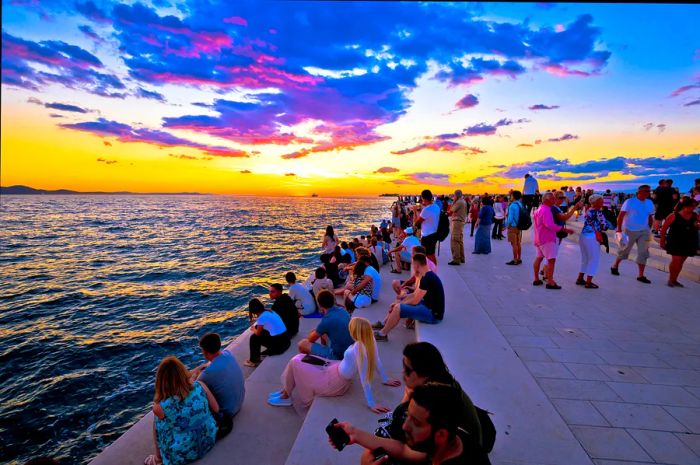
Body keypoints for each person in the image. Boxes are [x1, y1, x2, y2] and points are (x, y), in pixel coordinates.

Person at [331, 383, 490, 465]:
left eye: (415, 422)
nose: (405, 426)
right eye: (408, 416)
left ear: (441, 434)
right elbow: (403, 449)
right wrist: (355, 434)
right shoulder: (447, 441)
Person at [268, 318, 400, 410]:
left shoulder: (359, 348)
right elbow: (377, 360)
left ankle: (286, 395)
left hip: (335, 381)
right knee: (300, 358)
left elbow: (365, 377)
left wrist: (372, 403)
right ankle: (285, 391)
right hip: (334, 367)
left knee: (296, 361)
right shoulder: (370, 339)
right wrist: (385, 379)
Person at [384, 342, 484, 450]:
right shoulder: (443, 382)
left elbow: (397, 429)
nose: (403, 373)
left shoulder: (435, 399)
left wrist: (408, 398)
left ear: (425, 373)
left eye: (408, 370)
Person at [144, 356, 218, 465]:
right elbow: (216, 408)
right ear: (183, 372)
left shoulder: (161, 406)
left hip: (182, 454)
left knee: (158, 421)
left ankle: (158, 458)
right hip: (209, 440)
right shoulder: (200, 385)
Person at [375, 253, 444, 342]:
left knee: (398, 308)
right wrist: (401, 300)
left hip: (434, 315)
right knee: (401, 300)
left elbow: (415, 300)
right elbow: (415, 294)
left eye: (412, 264)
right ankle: (385, 323)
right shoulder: (426, 275)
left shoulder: (427, 278)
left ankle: (382, 334)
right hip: (429, 306)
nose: (412, 266)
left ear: (417, 265)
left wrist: (398, 304)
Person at [189, 333, 244, 439]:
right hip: (240, 401)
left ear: (205, 352)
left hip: (227, 412)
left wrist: (194, 376)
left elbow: (193, 390)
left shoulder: (207, 375)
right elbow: (209, 365)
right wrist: (200, 367)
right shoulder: (228, 354)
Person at [610, 185, 655, 283]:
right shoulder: (629, 202)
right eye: (646, 191)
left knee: (644, 253)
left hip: (645, 231)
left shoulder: (649, 202)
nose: (648, 193)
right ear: (639, 192)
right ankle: (615, 266)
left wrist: (649, 229)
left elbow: (650, 217)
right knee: (624, 250)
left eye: (649, 191)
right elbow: (621, 216)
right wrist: (619, 229)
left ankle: (641, 275)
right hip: (629, 230)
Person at [298, 290, 354, 360]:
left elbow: (310, 339)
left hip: (339, 355)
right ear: (333, 300)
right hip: (350, 350)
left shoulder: (326, 320)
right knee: (321, 333)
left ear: (320, 305)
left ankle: (326, 361)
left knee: (302, 344)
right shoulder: (343, 311)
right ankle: (324, 357)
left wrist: (311, 334)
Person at [533, 192, 571, 289]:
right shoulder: (546, 210)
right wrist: (563, 229)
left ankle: (536, 279)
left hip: (539, 237)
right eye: (553, 199)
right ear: (547, 200)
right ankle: (550, 281)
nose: (555, 200)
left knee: (539, 258)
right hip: (547, 239)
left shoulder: (539, 209)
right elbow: (549, 225)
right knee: (551, 260)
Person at [660, 197, 699, 287]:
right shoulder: (673, 215)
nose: (693, 208)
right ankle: (671, 279)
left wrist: (697, 226)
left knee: (681, 262)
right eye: (691, 207)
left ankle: (674, 279)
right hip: (675, 241)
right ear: (685, 206)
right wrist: (662, 240)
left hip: (689, 241)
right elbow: (664, 228)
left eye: (694, 207)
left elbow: (697, 225)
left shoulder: (695, 215)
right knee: (676, 261)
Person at [576, 195, 610, 289]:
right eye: (601, 201)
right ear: (595, 202)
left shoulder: (588, 210)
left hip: (583, 235)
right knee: (593, 259)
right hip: (592, 237)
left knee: (585, 258)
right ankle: (589, 282)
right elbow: (605, 226)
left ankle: (580, 278)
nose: (602, 202)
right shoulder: (598, 212)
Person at [245, 298, 291, 367]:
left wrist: (254, 329)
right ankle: (258, 356)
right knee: (258, 328)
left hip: (279, 347)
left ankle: (253, 361)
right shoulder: (269, 311)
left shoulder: (262, 317)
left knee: (254, 338)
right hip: (286, 341)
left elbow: (257, 333)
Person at [413, 189, 440, 265]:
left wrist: (415, 211)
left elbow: (416, 222)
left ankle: (431, 271)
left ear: (423, 198)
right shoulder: (436, 206)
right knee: (431, 254)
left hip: (427, 236)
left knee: (427, 255)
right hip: (434, 233)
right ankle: (433, 270)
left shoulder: (426, 210)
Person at [448, 189, 467, 265]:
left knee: (454, 240)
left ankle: (456, 259)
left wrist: (454, 201)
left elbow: (451, 210)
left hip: (457, 222)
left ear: (456, 195)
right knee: (459, 240)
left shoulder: (459, 202)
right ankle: (461, 258)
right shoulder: (463, 201)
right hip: (460, 222)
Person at [505, 190, 525, 265]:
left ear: (513, 196)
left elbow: (510, 219)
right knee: (518, 243)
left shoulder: (512, 205)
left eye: (511, 195)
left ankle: (515, 260)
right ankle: (519, 258)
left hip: (513, 227)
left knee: (514, 244)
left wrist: (506, 226)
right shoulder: (521, 204)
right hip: (519, 226)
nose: (510, 197)